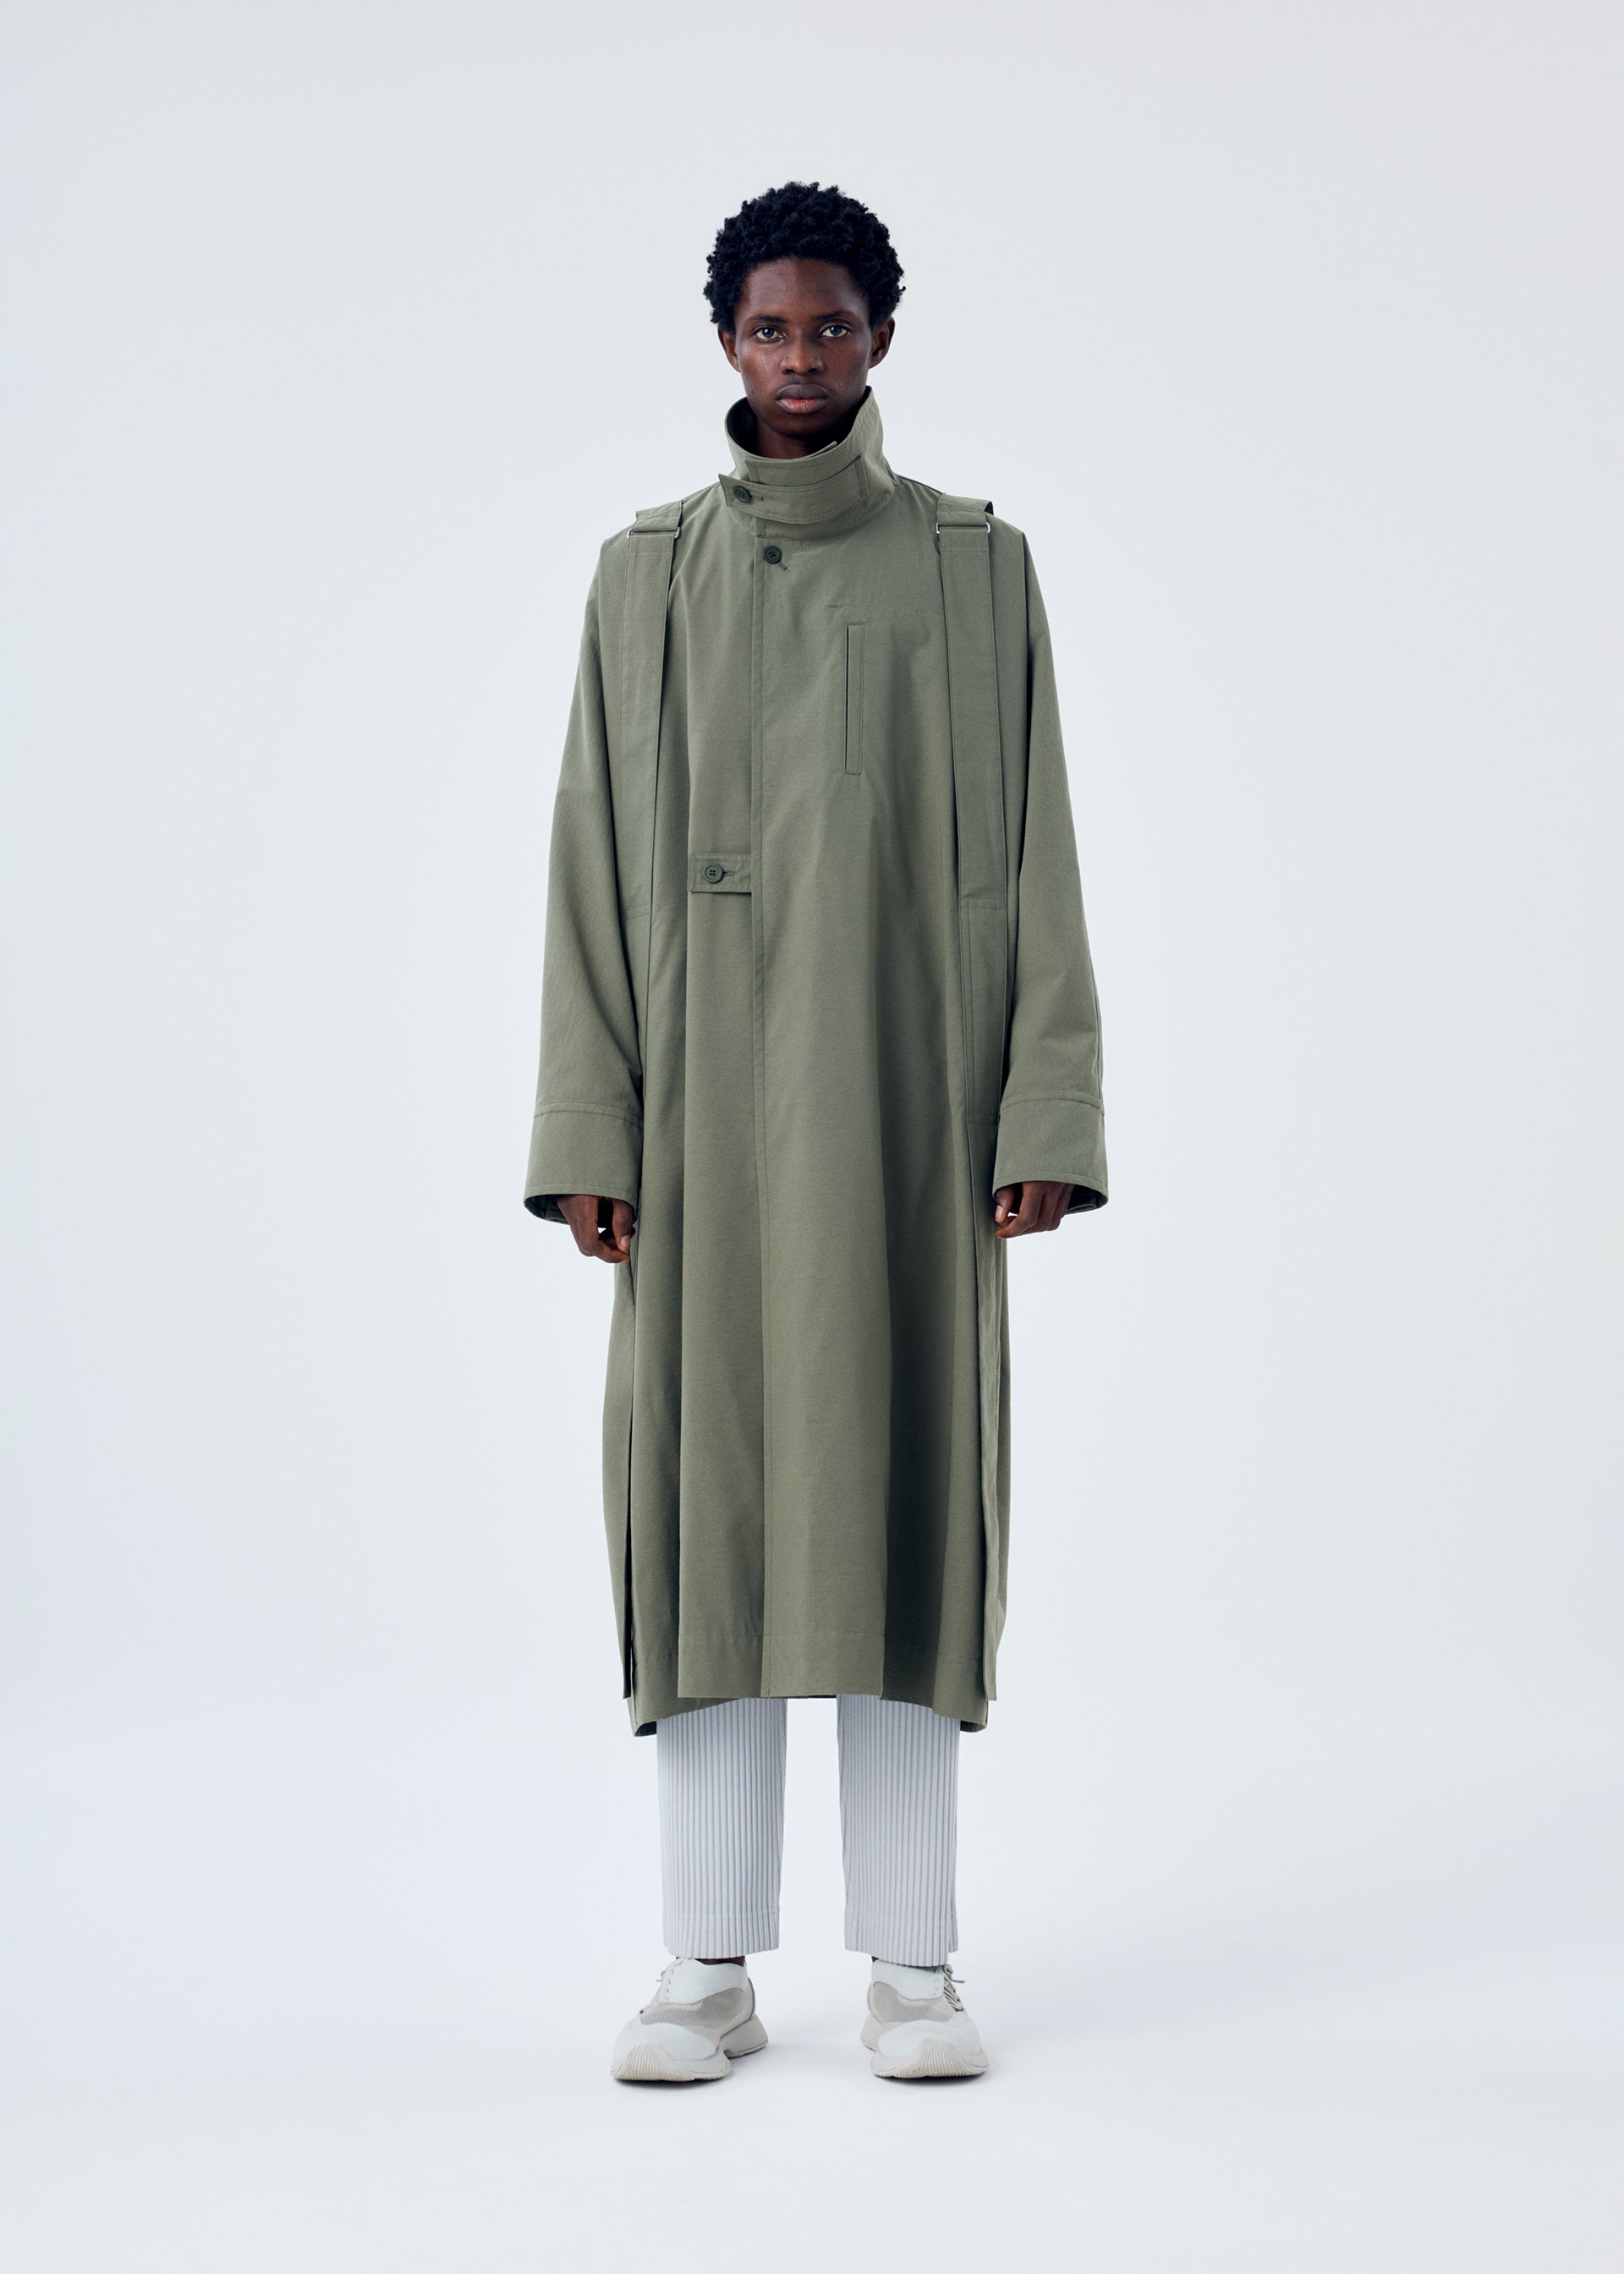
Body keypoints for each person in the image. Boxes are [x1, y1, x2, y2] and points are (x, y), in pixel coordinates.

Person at [524, 181, 1106, 2083]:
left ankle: (915, 1968)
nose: (799, 360)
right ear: (725, 342)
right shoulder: (644, 575)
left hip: (907, 1105)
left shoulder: (973, 568)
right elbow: (587, 865)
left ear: (881, 339)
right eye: (769, 329)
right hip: (699, 1114)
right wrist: (592, 1126)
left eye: (830, 327)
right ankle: (703, 1966)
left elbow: (1039, 848)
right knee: (708, 1517)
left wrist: (1042, 1101)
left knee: (901, 1501)